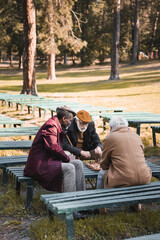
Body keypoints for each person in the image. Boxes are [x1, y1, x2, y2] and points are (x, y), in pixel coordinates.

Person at [24, 106, 85, 193]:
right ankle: (70, 200)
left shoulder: (56, 124)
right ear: (63, 119)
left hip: (49, 160)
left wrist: (67, 155)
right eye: (70, 120)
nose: (70, 123)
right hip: (40, 164)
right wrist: (67, 158)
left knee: (78, 163)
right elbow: (53, 147)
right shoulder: (51, 126)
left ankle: (81, 195)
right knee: (70, 168)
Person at [97, 116, 152, 212]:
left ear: (111, 128)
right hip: (145, 176)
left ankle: (101, 207)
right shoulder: (136, 136)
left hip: (124, 179)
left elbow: (104, 165)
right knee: (132, 171)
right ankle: (136, 205)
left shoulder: (110, 138)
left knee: (101, 174)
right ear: (126, 126)